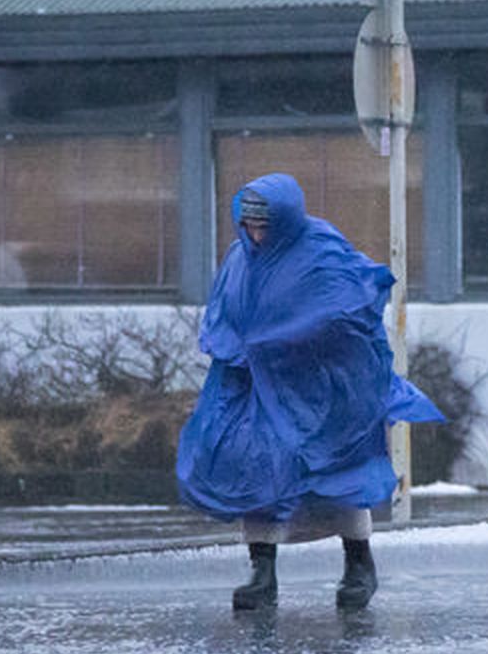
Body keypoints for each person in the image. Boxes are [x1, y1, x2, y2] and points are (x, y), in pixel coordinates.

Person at [176, 172, 444, 612]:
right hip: (256, 387)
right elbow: (227, 310)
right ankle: (263, 573)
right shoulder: (240, 258)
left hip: (319, 389)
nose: (256, 234)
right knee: (254, 470)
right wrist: (242, 353)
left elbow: (345, 307)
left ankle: (359, 564)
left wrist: (288, 340)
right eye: (249, 226)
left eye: (264, 225)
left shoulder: (321, 250)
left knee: (336, 475)